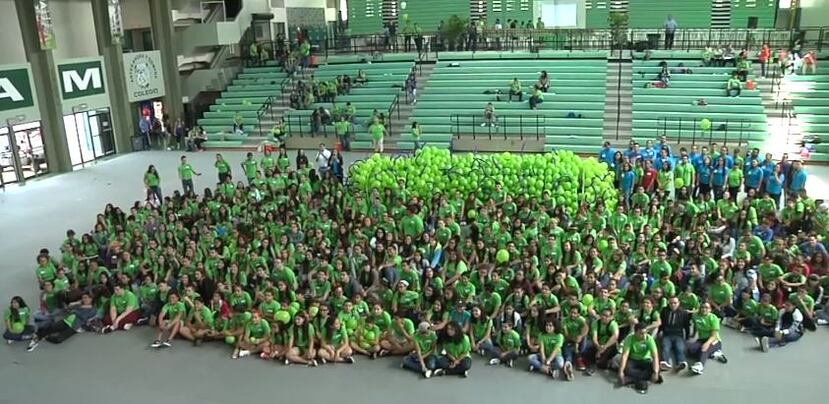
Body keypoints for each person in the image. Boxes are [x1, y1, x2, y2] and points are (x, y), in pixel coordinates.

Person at [618, 323, 661, 394]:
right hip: (633, 360)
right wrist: (621, 371)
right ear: (635, 333)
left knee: (656, 368)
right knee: (626, 369)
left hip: (646, 360)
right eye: (641, 333)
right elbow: (625, 355)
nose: (644, 335)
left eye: (645, 333)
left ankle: (631, 379)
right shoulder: (629, 338)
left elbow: (655, 356)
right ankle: (644, 379)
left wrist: (656, 372)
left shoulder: (649, 339)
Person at [687, 302, 727, 375]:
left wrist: (707, 344)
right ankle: (714, 354)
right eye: (702, 307)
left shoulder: (713, 318)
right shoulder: (695, 316)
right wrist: (693, 335)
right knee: (691, 351)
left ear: (710, 309)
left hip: (714, 340)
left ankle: (700, 366)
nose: (704, 309)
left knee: (704, 349)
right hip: (702, 339)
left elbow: (714, 335)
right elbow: (696, 326)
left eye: (706, 308)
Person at [659, 296, 690, 372]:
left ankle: (681, 362)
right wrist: (659, 332)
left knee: (679, 348)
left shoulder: (684, 313)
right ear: (668, 303)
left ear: (678, 303)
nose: (673, 305)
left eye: (675, 303)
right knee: (665, 347)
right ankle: (665, 362)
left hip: (678, 334)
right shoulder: (664, 310)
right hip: (667, 334)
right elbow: (661, 323)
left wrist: (687, 337)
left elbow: (686, 326)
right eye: (671, 303)